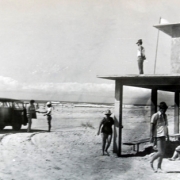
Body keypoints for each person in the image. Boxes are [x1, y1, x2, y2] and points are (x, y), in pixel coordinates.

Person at [150, 102, 169, 173]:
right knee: (160, 152)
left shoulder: (165, 116)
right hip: (158, 135)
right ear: (161, 109)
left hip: (164, 135)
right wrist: (151, 136)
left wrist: (168, 135)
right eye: (164, 109)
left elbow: (166, 126)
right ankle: (151, 161)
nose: (165, 110)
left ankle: (159, 167)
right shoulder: (155, 115)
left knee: (163, 152)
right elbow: (152, 127)